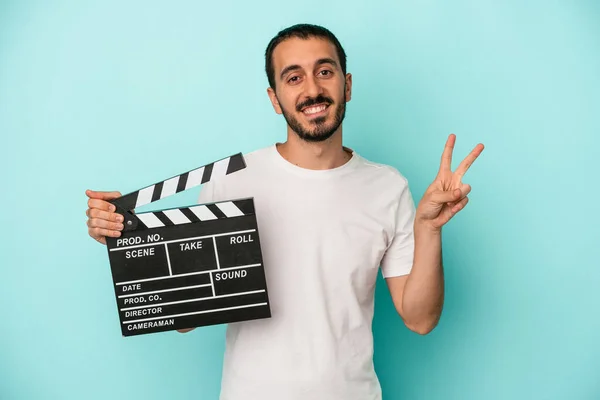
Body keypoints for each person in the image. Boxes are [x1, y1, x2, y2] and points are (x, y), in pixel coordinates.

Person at [85, 23, 484, 400]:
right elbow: (189, 317)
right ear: (275, 99)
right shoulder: (231, 181)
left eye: (324, 71)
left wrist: (429, 229)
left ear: (346, 85)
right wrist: (129, 239)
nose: (312, 89)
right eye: (293, 77)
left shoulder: (388, 187)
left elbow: (419, 319)